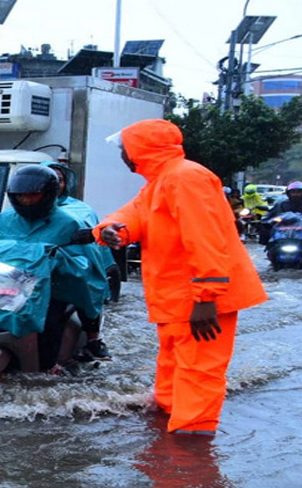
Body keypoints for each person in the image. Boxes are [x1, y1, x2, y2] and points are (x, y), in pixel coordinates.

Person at [96, 119, 267, 436]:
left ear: (138, 150)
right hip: (178, 296)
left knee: (199, 370)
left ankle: (191, 446)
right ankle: (168, 426)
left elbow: (205, 238)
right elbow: (132, 215)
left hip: (198, 298)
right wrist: (111, 229)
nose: (122, 154)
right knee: (175, 364)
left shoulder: (185, 178)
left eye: (123, 149)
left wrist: (206, 298)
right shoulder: (161, 182)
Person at [0, 164, 109, 370]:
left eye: (32, 195)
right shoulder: (5, 219)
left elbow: (85, 263)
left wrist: (60, 261)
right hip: (9, 280)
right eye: (21, 196)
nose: (26, 200)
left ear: (47, 193)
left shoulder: (69, 222)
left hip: (53, 284)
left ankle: (49, 364)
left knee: (49, 319)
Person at [43, 161, 113, 360]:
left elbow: (91, 243)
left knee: (85, 284)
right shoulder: (18, 211)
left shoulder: (80, 210)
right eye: (49, 179)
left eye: (60, 180)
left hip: (71, 264)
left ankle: (93, 340)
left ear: (66, 184)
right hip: (32, 266)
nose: (55, 184)